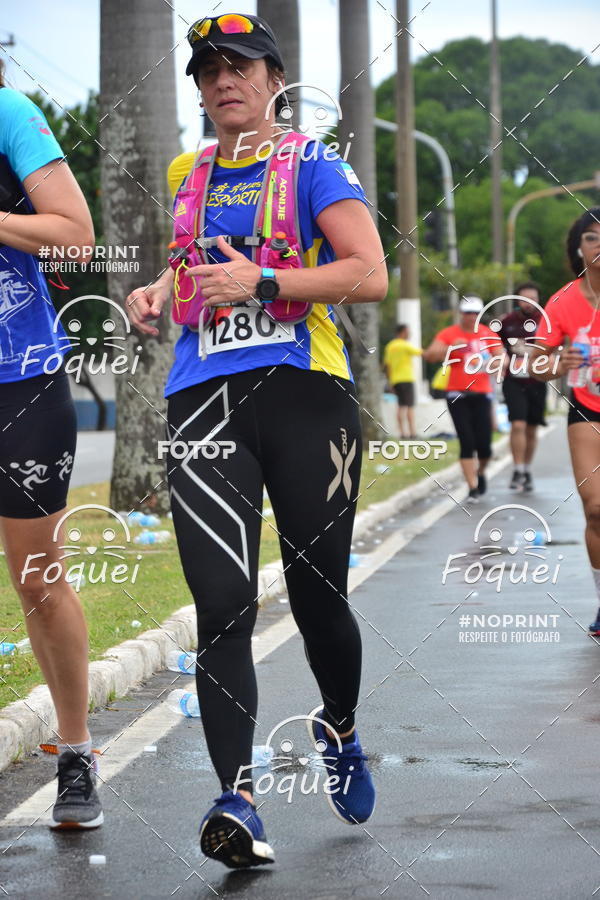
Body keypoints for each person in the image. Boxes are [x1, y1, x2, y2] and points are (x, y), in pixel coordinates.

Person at [126, 13, 387, 869]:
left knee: (318, 595)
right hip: (204, 399)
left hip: (306, 395)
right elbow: (197, 256)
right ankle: (237, 801)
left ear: (275, 77)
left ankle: (339, 726)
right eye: (206, 71)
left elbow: (367, 272)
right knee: (222, 603)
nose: (220, 81)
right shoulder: (187, 169)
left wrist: (266, 278)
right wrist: (158, 291)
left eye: (239, 65)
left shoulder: (315, 162)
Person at [0, 64, 100, 826]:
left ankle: (74, 752)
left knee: (36, 579)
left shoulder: (8, 111)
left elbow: (74, 236)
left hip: (18, 379)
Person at [530, 208, 600, 637]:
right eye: (592, 238)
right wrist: (559, 361)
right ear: (579, 248)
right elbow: (536, 364)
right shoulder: (562, 301)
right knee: (595, 508)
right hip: (587, 410)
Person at [423, 296, 504, 502]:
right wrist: (451, 348)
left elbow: (502, 357)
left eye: (475, 313)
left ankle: (481, 471)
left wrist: (497, 363)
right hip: (456, 393)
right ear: (461, 313)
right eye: (468, 313)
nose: (472, 317)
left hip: (482, 393)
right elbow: (430, 355)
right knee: (467, 440)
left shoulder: (487, 333)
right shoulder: (449, 334)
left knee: (484, 445)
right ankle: (472, 488)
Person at [499, 282, 547, 492]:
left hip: (537, 380)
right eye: (525, 299)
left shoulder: (546, 322)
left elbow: (556, 346)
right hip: (514, 381)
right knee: (517, 424)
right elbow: (494, 345)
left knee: (531, 428)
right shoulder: (506, 322)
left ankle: (526, 469)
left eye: (533, 299)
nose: (529, 304)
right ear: (517, 301)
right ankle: (517, 469)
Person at [383, 323, 422, 438]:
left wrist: (390, 381)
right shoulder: (405, 345)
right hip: (407, 378)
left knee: (400, 406)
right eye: (407, 331)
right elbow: (421, 353)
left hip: (395, 380)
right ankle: (412, 433)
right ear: (402, 332)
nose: (409, 334)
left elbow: (387, 365)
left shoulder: (390, 346)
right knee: (409, 406)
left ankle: (402, 433)